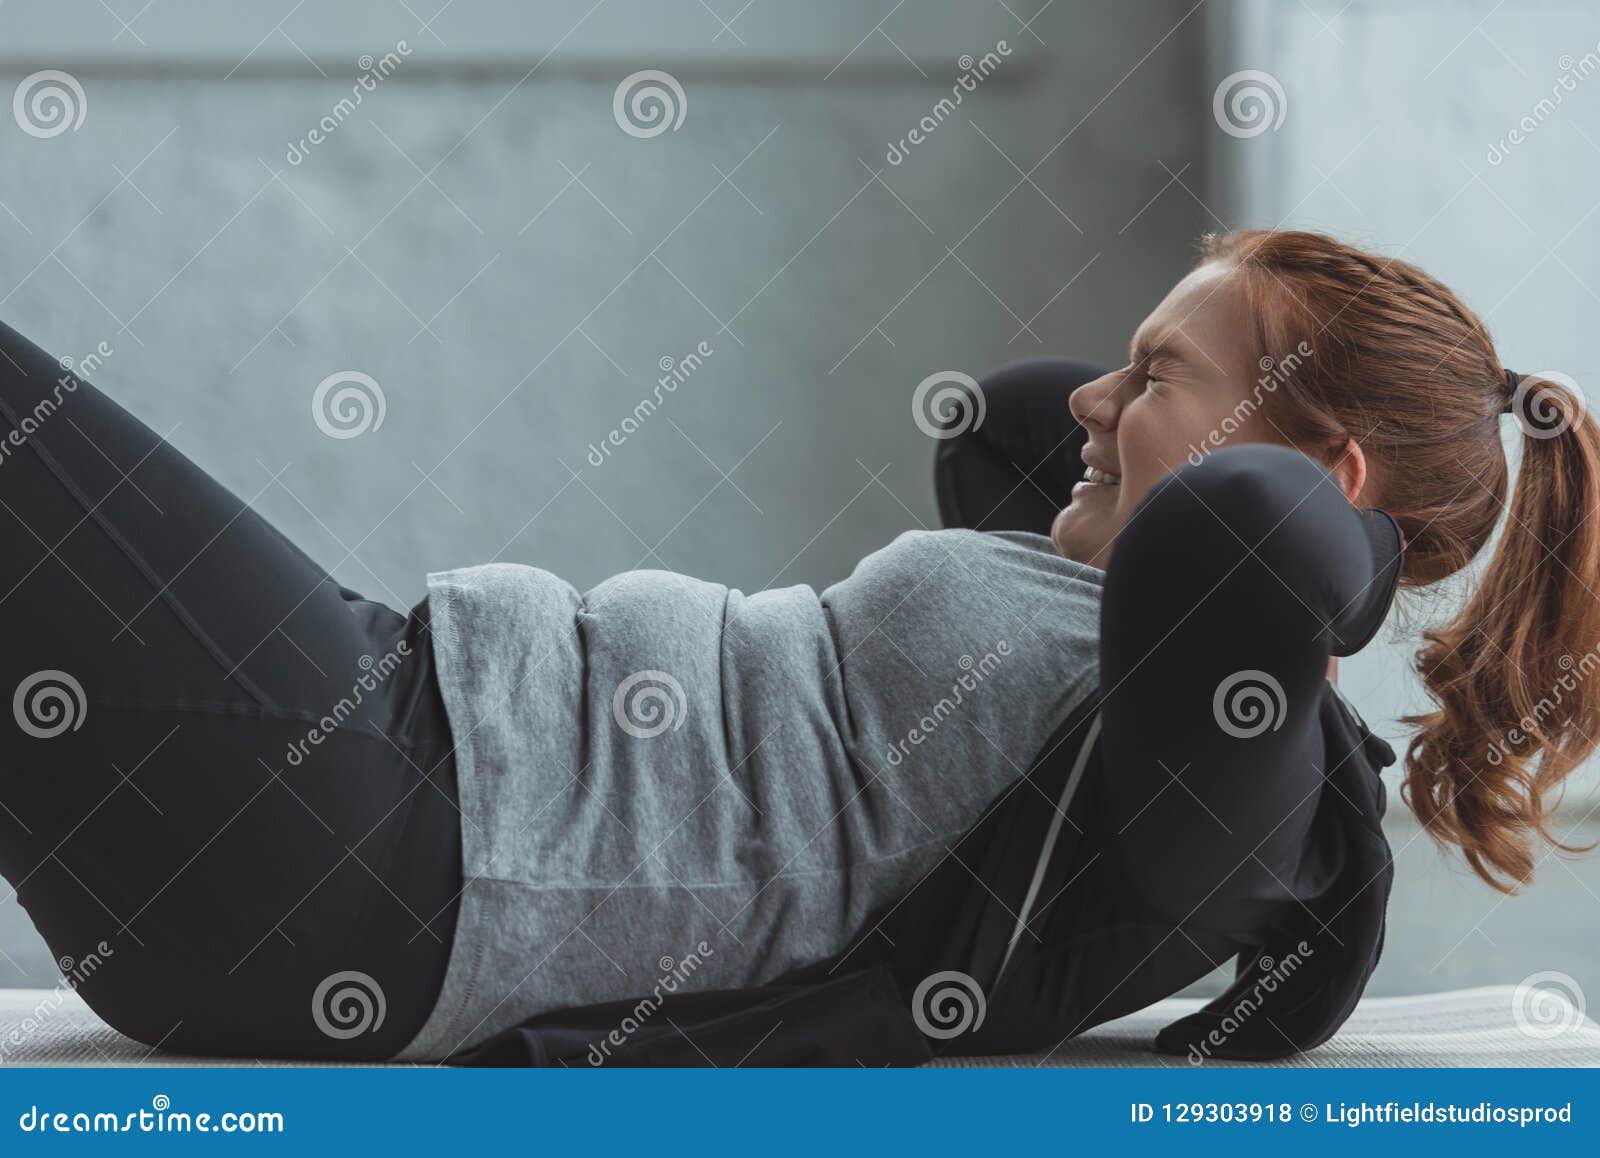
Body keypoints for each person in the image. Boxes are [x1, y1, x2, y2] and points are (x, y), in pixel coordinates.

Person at [0, 229, 1591, 1064]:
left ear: (1306, 474)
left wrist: (1320, 532)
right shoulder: (1110, 606)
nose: (1096, 406)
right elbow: (1003, 427)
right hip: (390, 747)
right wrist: (1177, 411)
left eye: (1154, 370)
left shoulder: (1231, 768)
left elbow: (1258, 545)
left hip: (392, 851)